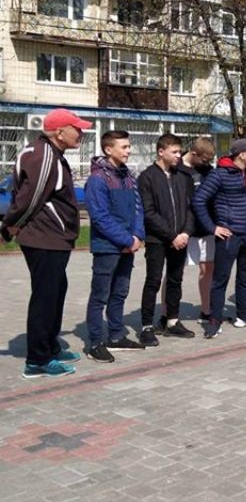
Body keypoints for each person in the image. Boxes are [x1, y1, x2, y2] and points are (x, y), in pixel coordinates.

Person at [2, 108, 91, 378]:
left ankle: (50, 346)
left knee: (56, 290)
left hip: (53, 237)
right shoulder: (43, 155)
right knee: (45, 297)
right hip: (44, 238)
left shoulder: (50, 153)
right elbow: (30, 198)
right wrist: (8, 228)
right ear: (59, 132)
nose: (81, 133)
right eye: (76, 128)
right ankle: (37, 360)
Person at [192, 139, 246, 337]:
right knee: (220, 280)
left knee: (245, 278)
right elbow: (199, 200)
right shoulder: (219, 174)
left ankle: (244, 315)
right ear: (241, 154)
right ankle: (214, 320)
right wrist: (212, 227)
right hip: (229, 236)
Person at [84, 130, 146, 362]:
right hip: (107, 247)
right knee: (100, 295)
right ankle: (95, 343)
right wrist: (126, 240)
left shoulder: (128, 176)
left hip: (128, 245)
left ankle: (116, 336)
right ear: (108, 149)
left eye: (129, 146)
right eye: (124, 147)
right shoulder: (98, 179)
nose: (129, 151)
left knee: (120, 292)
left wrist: (137, 236)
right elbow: (100, 217)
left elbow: (138, 209)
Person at [138, 133, 195, 347]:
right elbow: (149, 212)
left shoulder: (183, 177)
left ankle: (172, 321)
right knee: (153, 280)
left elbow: (191, 208)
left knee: (175, 279)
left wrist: (186, 232)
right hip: (157, 239)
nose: (179, 155)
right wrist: (171, 235)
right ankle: (146, 326)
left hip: (181, 238)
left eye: (180, 151)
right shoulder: (147, 177)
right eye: (175, 152)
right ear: (161, 152)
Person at [179, 138, 216, 321]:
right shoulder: (178, 168)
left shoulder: (208, 171)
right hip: (183, 229)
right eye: (204, 160)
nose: (206, 164)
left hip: (206, 227)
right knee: (175, 272)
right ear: (193, 153)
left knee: (207, 268)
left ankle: (206, 310)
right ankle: (168, 315)